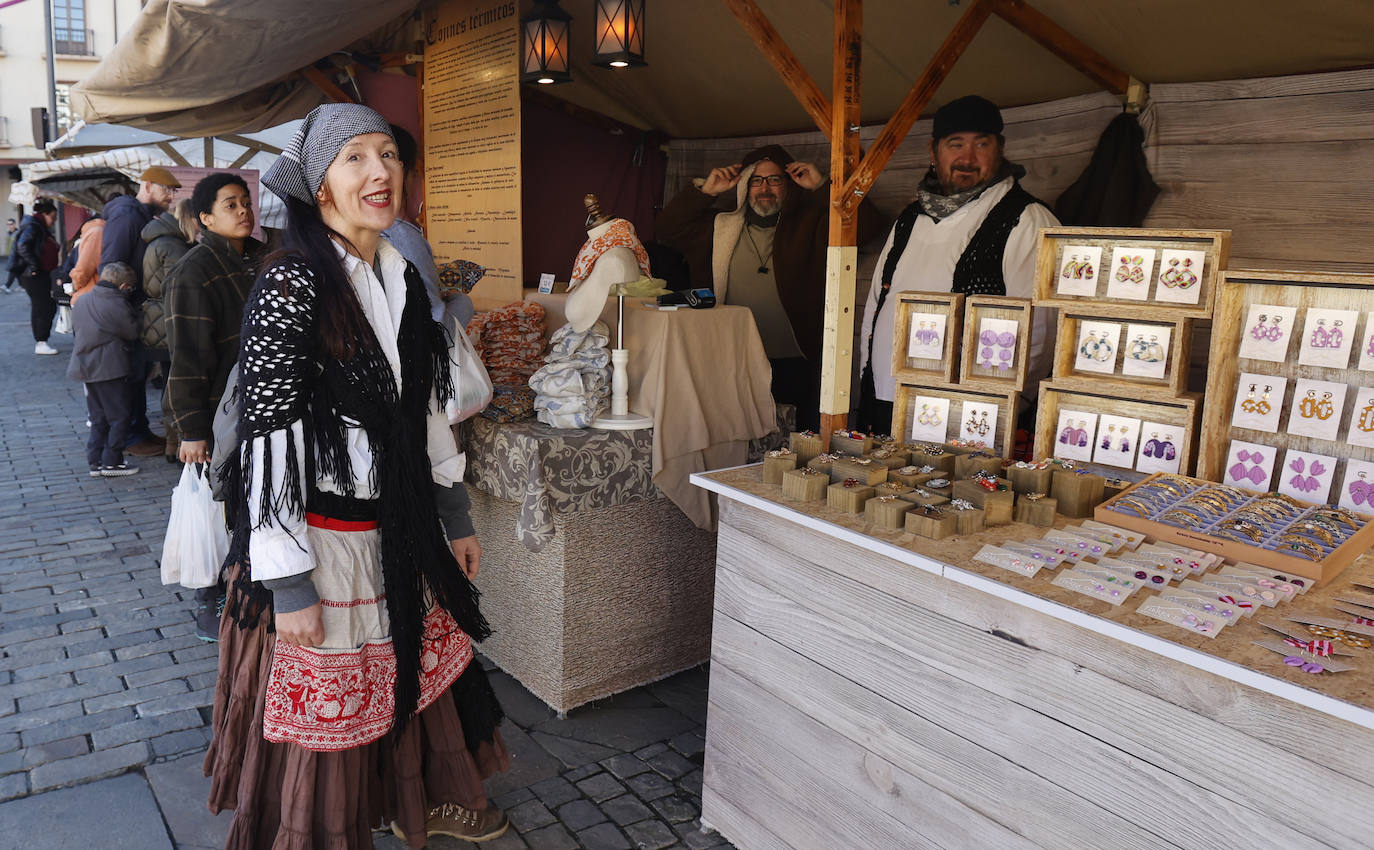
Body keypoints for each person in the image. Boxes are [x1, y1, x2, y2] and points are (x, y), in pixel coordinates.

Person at [204, 104, 509, 848]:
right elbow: (267, 438)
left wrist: (455, 515)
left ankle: (432, 801)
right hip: (320, 541)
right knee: (330, 709)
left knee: (422, 674)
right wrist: (289, 585)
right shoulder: (292, 284)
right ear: (321, 187)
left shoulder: (400, 270)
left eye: (389, 156)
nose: (380, 173)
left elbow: (427, 407)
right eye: (356, 159)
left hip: (400, 527)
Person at [856, 95, 1061, 432]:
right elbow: (877, 307)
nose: (968, 157)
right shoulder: (910, 218)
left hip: (967, 416)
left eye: (982, 144)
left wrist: (1007, 412)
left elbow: (1039, 332)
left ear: (1000, 148)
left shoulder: (1026, 219)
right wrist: (869, 381)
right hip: (887, 400)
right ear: (934, 151)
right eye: (956, 144)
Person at [657, 144, 882, 431]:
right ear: (744, 186)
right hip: (732, 359)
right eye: (756, 180)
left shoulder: (811, 223)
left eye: (775, 179)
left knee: (794, 444)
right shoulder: (719, 226)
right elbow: (666, 229)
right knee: (734, 439)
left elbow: (868, 227)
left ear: (789, 184)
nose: (765, 188)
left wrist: (823, 186)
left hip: (795, 362)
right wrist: (706, 191)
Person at [163, 174, 260, 642]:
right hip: (217, 414)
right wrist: (191, 430)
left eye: (245, 202)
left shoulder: (260, 259)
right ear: (205, 218)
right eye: (230, 205)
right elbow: (186, 356)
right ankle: (210, 597)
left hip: (260, 408)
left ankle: (249, 588)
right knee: (216, 508)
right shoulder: (195, 270)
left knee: (248, 506)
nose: (243, 210)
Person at [101, 166, 181, 457]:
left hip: (136, 307)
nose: (171, 196)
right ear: (147, 185)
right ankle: (132, 436)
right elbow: (111, 264)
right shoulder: (127, 214)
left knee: (139, 372)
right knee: (132, 374)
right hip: (127, 307)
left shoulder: (139, 214)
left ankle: (140, 431)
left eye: (174, 191)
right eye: (166, 189)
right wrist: (122, 302)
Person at [67, 262, 140, 477]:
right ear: (124, 285)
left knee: (98, 416)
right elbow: (133, 332)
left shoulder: (83, 299)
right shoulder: (117, 303)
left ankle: (95, 460)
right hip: (110, 367)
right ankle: (112, 461)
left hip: (85, 366)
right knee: (119, 415)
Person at [143, 199, 199, 462]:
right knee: (174, 386)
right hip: (169, 322)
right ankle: (175, 444)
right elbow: (179, 289)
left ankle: (171, 444)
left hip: (158, 320)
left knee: (169, 382)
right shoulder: (174, 246)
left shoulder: (160, 241)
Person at [12, 199, 61, 355]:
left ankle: (42, 340)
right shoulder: (33, 226)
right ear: (44, 214)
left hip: (38, 274)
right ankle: (41, 342)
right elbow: (22, 246)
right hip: (34, 275)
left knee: (44, 305)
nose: (54, 221)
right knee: (43, 306)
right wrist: (34, 266)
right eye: (53, 217)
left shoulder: (36, 226)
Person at [68, 216, 106, 304]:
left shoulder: (95, 232)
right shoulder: (96, 233)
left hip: (87, 295)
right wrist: (75, 285)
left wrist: (75, 286)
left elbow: (82, 270)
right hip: (90, 295)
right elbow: (83, 270)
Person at [2, 217, 17, 293]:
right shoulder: (8, 233)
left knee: (13, 270)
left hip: (17, 255)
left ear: (14, 224)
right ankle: (22, 286)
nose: (9, 225)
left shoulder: (17, 233)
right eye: (8, 224)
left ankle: (7, 286)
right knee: (17, 271)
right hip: (10, 255)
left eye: (11, 224)